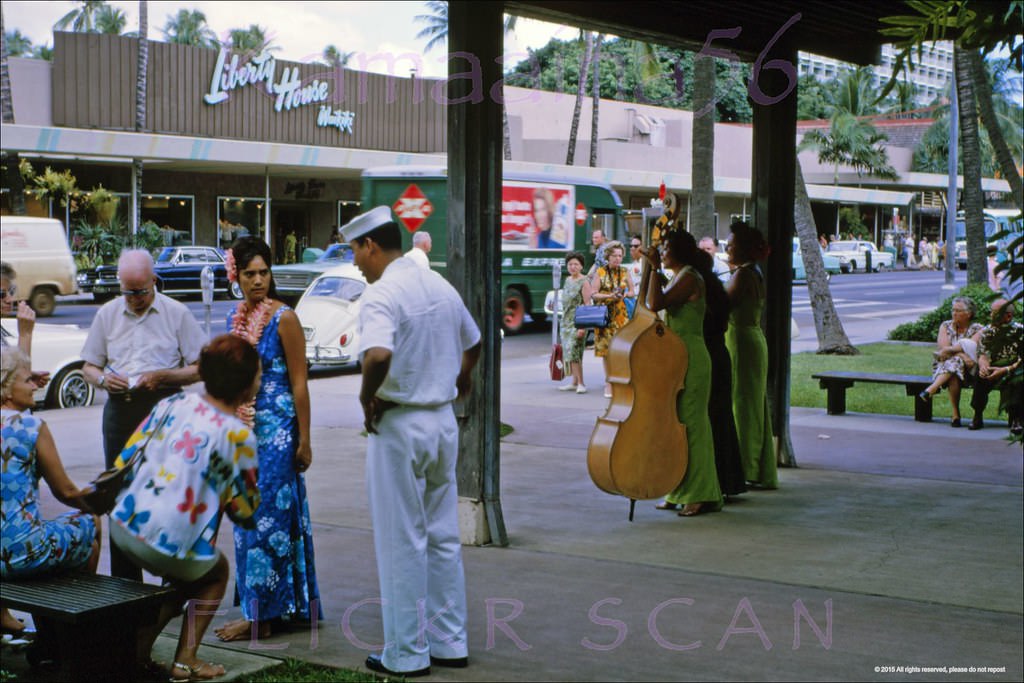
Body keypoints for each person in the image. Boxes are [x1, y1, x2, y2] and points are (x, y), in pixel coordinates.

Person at [342, 205, 481, 678]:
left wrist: (367, 396)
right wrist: (461, 377)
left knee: (401, 540)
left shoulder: (382, 293)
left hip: (400, 424)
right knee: (443, 536)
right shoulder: (437, 284)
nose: (355, 261)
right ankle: (450, 642)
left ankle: (405, 653)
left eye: (355, 250)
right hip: (441, 421)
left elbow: (378, 353)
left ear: (370, 246)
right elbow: (474, 340)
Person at [109, 335, 261, 682]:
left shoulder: (174, 402)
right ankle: (187, 659)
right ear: (244, 387)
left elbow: (124, 458)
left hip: (123, 524)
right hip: (164, 543)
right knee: (216, 572)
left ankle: (139, 651)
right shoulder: (239, 436)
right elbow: (245, 511)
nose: (260, 382)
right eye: (258, 376)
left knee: (186, 573)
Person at [215, 236, 322, 642]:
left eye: (264, 272)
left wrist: (305, 439)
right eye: (249, 274)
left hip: (278, 432)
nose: (258, 280)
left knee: (268, 520)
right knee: (245, 517)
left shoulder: (285, 318)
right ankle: (268, 605)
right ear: (236, 277)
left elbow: (300, 383)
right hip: (244, 430)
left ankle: (261, 616)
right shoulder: (234, 318)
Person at [80, 249, 204, 580]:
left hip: (165, 407)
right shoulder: (108, 314)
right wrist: (104, 380)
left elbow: (201, 367)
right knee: (119, 495)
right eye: (128, 292)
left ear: (154, 281)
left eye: (141, 292)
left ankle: (171, 582)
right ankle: (126, 583)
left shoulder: (176, 313)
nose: (134, 299)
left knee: (169, 493)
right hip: (121, 408)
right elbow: (89, 367)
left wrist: (165, 376)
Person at [1, 347, 100, 581]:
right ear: (7, 388)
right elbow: (65, 491)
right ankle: (82, 602)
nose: (35, 387)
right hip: (20, 552)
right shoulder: (30, 426)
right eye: (28, 381)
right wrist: (98, 502)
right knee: (90, 523)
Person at [643, 230, 723, 517]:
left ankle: (700, 492)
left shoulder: (690, 276)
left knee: (693, 425)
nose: (663, 253)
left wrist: (653, 269)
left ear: (679, 252)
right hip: (678, 356)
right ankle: (677, 489)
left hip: (692, 357)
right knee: (677, 425)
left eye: (666, 249)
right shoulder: (680, 276)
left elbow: (656, 303)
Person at [725, 222, 777, 489]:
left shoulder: (743, 274)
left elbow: (723, 305)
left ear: (743, 249)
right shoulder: (753, 271)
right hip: (751, 338)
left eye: (731, 245)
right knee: (751, 404)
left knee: (743, 405)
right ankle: (756, 465)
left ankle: (746, 466)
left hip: (742, 341)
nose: (727, 249)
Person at [918, 297, 984, 428]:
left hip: (970, 369)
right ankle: (955, 415)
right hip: (945, 367)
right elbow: (943, 349)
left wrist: (957, 354)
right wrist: (961, 355)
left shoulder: (978, 329)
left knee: (955, 363)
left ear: (969, 313)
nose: (954, 313)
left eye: (958, 311)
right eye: (953, 310)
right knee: (954, 370)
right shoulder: (946, 326)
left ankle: (932, 389)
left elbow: (968, 347)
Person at [969, 298, 1023, 432]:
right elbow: (983, 354)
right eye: (991, 312)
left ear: (1008, 316)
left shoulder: (1020, 331)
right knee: (980, 376)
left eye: (995, 313)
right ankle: (977, 414)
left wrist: (1005, 369)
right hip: (993, 367)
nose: (991, 315)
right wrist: (984, 366)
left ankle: (1017, 418)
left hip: (1014, 368)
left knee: (1018, 379)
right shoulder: (988, 331)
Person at [591, 241, 635, 399]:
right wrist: (609, 296)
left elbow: (632, 291)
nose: (617, 258)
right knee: (606, 351)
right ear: (608, 257)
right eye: (614, 255)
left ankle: (621, 380)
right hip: (604, 316)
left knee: (622, 350)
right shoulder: (600, 272)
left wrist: (625, 294)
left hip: (621, 316)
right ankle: (608, 382)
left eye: (620, 256)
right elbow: (593, 294)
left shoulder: (625, 271)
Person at [557, 251, 593, 394]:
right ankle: (574, 382)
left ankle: (581, 383)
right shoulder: (567, 280)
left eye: (576, 264)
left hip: (577, 322)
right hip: (565, 322)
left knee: (574, 352)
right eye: (570, 264)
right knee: (569, 353)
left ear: (581, 266)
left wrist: (582, 327)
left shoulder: (584, 281)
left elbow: (587, 305)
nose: (573, 267)